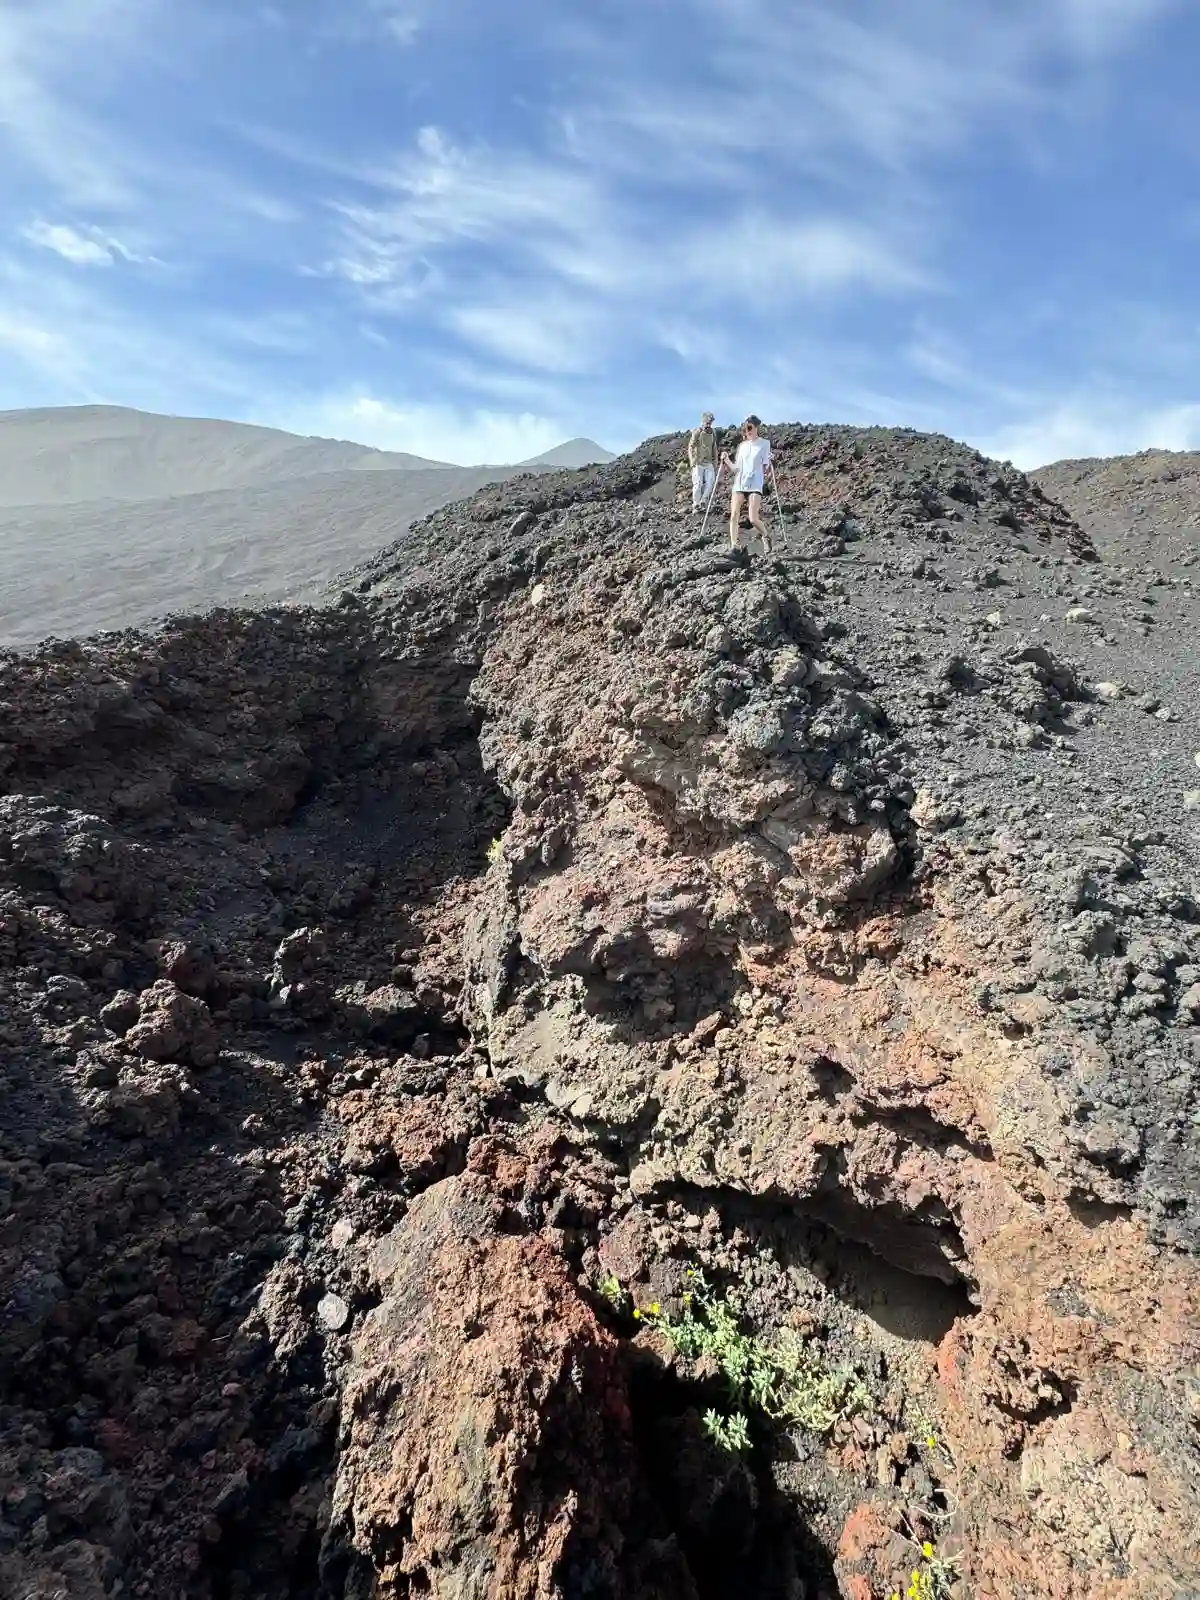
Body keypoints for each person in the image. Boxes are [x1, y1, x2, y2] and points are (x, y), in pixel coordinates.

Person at [721, 415, 774, 553]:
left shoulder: (764, 444)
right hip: (739, 482)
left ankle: (766, 536)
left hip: (755, 483)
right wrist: (726, 460)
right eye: (745, 429)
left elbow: (766, 469)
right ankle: (734, 545)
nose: (747, 431)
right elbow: (735, 468)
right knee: (734, 514)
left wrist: (770, 461)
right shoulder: (742, 446)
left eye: (749, 428)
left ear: (756, 427)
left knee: (753, 518)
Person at [687, 411, 720, 513]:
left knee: (710, 482)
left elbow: (714, 447)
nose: (709, 424)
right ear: (703, 421)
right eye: (707, 422)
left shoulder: (713, 433)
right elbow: (691, 446)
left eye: (710, 422)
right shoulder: (697, 432)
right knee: (698, 483)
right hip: (698, 462)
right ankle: (696, 505)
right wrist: (692, 460)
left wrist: (716, 461)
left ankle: (703, 501)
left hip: (708, 461)